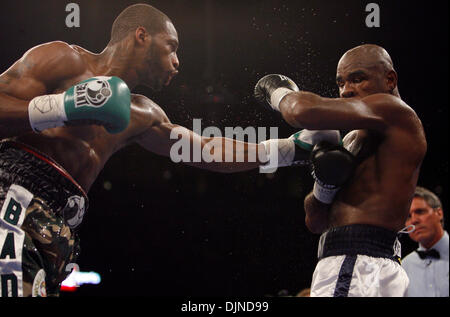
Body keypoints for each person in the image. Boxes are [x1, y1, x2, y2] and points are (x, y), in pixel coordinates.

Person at [0, 4, 349, 297]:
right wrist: (63, 107)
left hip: (58, 225)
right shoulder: (63, 59)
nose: (177, 62)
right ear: (141, 36)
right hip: (13, 194)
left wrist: (289, 149)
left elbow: (207, 149)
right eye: (172, 47)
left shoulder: (143, 114)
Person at [254, 44, 428, 297]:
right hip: (365, 263)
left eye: (358, 79)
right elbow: (316, 222)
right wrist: (324, 186)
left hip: (357, 266)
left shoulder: (395, 112)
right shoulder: (350, 141)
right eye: (341, 83)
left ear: (389, 79)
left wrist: (276, 91)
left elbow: (304, 111)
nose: (346, 91)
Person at [402, 186, 448, 297]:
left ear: (439, 213)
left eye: (420, 212)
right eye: (408, 217)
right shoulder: (404, 267)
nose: (414, 220)